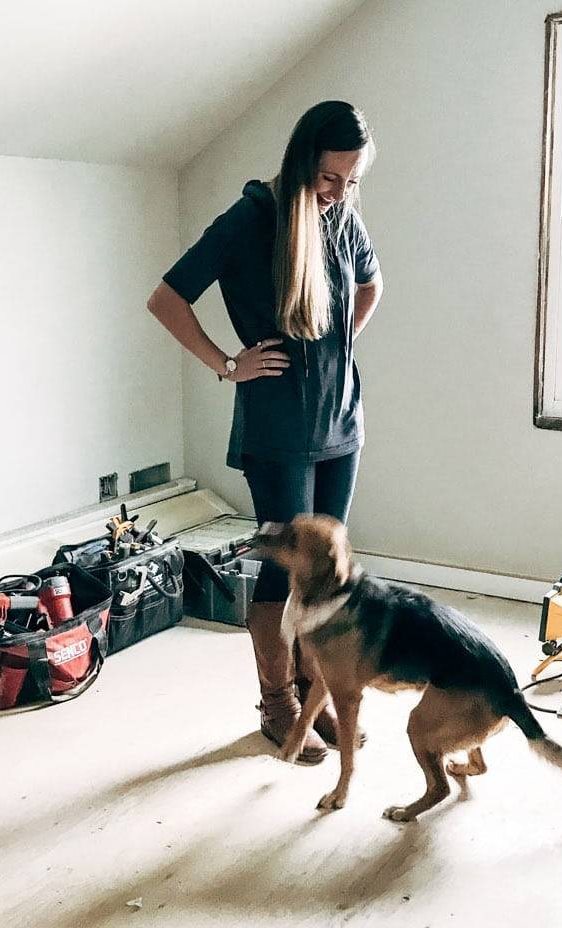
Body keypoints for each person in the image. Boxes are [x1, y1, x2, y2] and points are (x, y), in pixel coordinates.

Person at [146, 101, 384, 765]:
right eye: (330, 180)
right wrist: (228, 365)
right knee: (281, 576)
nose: (339, 194)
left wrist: (338, 349)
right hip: (278, 431)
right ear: (302, 161)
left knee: (325, 578)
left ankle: (315, 696)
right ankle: (276, 706)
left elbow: (371, 286)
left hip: (342, 423)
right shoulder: (250, 220)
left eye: (352, 181)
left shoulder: (342, 217)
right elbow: (167, 298)